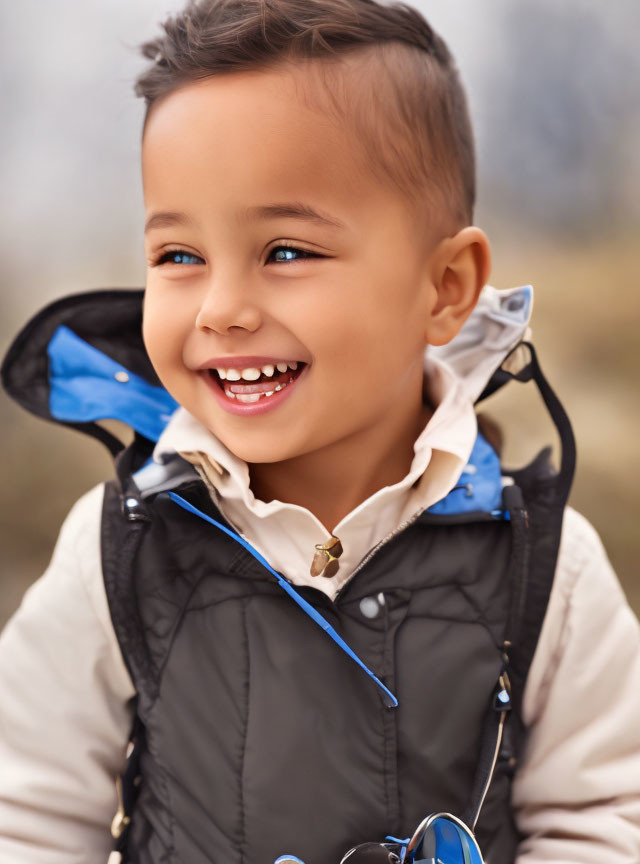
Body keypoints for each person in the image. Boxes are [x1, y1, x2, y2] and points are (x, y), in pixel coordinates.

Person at [1, 0, 639, 862]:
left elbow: (606, 820)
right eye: (178, 256)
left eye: (287, 251)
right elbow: (26, 820)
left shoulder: (545, 563)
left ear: (445, 286)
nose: (221, 310)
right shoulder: (122, 545)